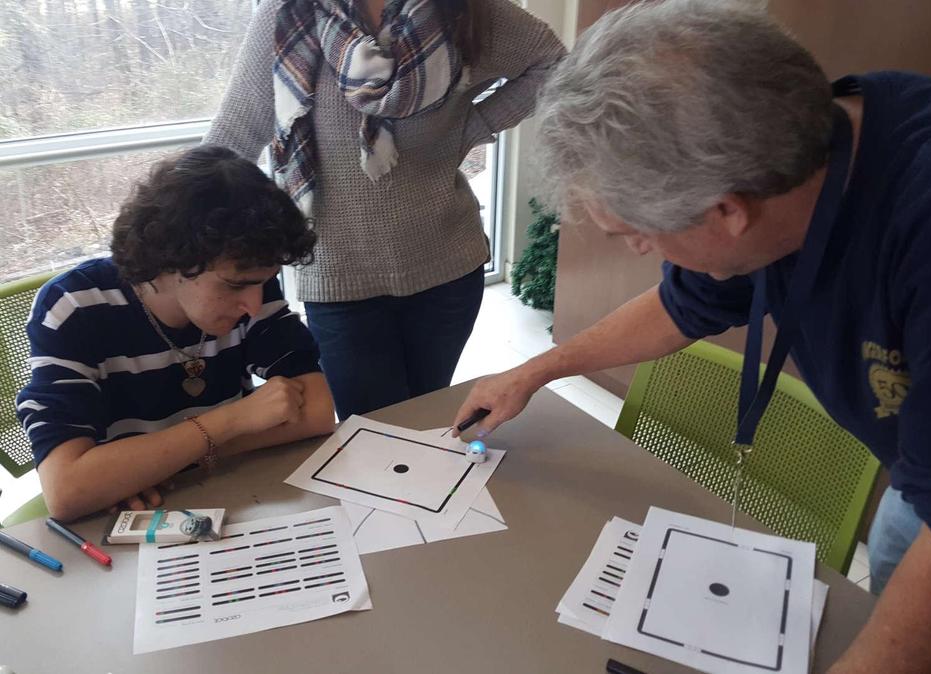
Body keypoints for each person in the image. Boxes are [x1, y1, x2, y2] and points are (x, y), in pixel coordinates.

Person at [450, 1, 931, 671]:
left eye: (635, 234)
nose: (640, 250)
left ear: (726, 212)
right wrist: (535, 371)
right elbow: (679, 307)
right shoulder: (791, 160)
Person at [205, 0, 566, 419]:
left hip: (447, 269)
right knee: (373, 430)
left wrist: (473, 127)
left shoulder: (463, 10)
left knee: (423, 417)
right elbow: (233, 136)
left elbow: (553, 63)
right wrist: (169, 237)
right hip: (338, 278)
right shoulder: (292, 14)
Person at [16, 146, 336, 521]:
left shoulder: (252, 281)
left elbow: (317, 411)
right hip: (127, 522)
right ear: (169, 260)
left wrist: (148, 466)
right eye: (234, 285)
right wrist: (233, 420)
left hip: (222, 497)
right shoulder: (73, 306)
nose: (253, 304)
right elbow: (66, 489)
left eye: (263, 282)